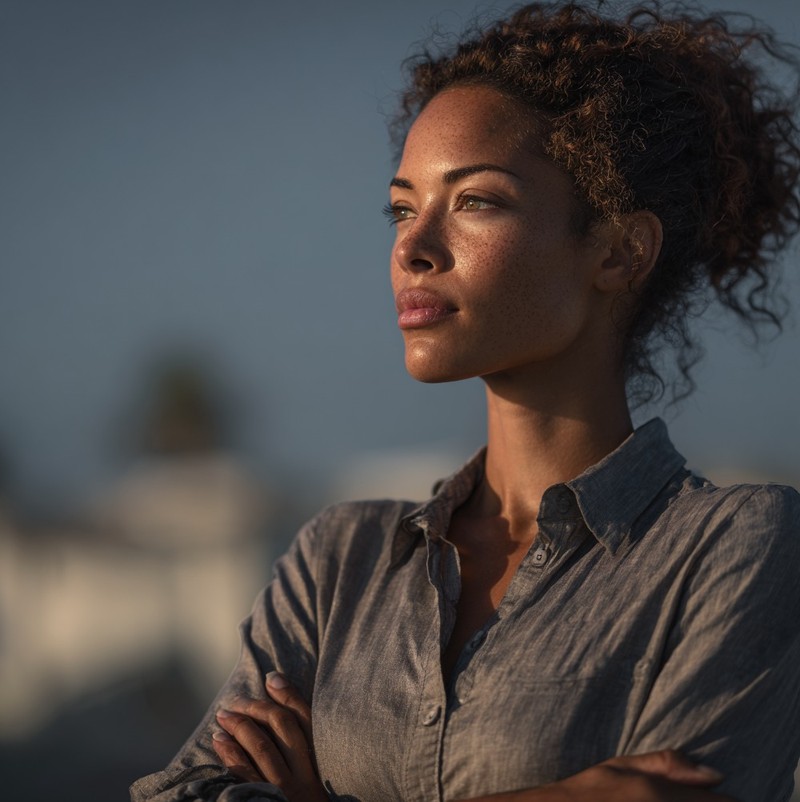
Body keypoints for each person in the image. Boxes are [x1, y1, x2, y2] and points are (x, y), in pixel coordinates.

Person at [130, 2, 800, 801]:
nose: (411, 248)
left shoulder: (736, 545)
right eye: (402, 208)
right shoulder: (338, 562)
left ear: (621, 252)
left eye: (475, 200)